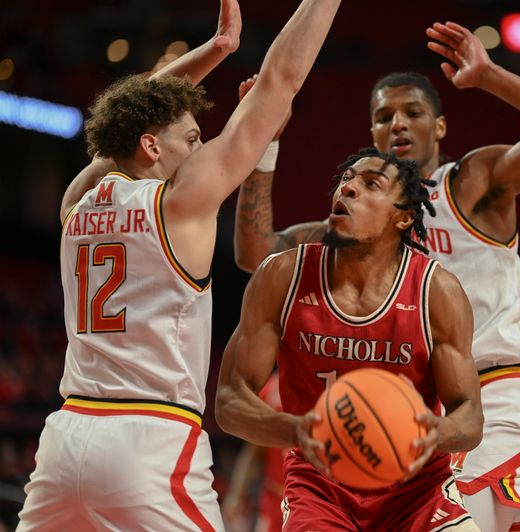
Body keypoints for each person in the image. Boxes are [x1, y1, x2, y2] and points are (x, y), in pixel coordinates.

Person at [233, 20, 520, 531]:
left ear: (440, 126)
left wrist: (492, 77)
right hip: (409, 405)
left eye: (413, 112)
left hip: (492, 396)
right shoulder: (355, 226)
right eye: (384, 116)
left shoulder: (473, 183)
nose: (398, 125)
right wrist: (264, 145)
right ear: (371, 133)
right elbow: (256, 253)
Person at [17, 0, 343, 529]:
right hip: (149, 439)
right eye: (190, 139)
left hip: (66, 437)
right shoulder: (179, 202)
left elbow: (127, 121)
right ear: (151, 146)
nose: (199, 150)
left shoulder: (77, 201)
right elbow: (280, 80)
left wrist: (216, 50)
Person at [215, 147, 484, 531]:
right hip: (320, 489)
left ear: (404, 217)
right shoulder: (282, 276)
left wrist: (436, 432)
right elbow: (228, 400)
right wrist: (298, 431)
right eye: (346, 179)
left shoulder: (436, 291)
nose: (349, 188)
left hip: (417, 491)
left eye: (371, 183)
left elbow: (470, 417)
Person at [222, 375, 287, 532]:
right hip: (273, 499)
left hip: (308, 499)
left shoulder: (323, 388)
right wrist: (236, 493)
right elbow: (254, 450)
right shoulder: (270, 390)